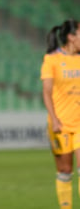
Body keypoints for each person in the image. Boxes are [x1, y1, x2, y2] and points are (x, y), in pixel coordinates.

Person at [41, 19, 80, 209]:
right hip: (61, 123)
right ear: (71, 37)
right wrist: (54, 119)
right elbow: (47, 92)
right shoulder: (52, 59)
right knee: (65, 170)